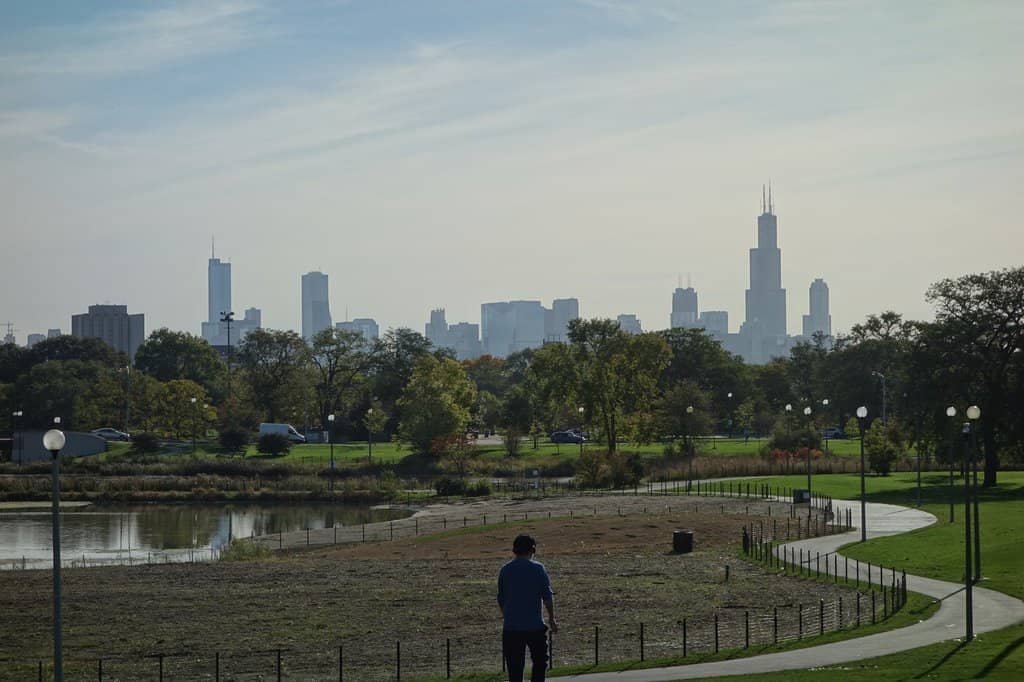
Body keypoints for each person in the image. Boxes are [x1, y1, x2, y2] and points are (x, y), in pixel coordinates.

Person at [497, 534, 557, 682]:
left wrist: (507, 615)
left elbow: (501, 598)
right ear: (532, 549)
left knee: (515, 669)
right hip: (534, 626)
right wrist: (552, 618)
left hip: (511, 628)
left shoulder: (505, 570)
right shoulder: (538, 569)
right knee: (539, 664)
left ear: (514, 550)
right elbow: (547, 597)